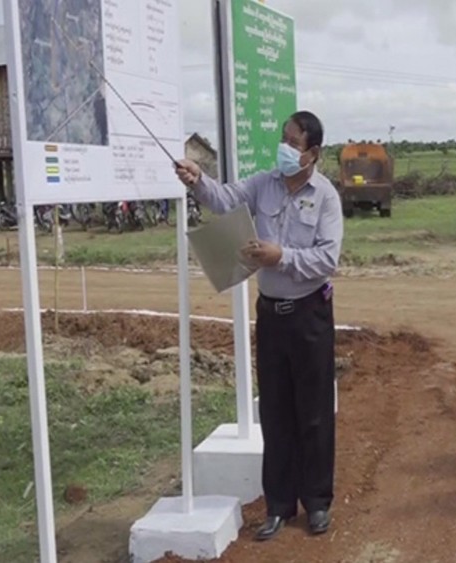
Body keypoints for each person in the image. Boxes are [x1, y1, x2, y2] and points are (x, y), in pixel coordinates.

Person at [174, 111, 343, 541]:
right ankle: (279, 506)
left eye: (293, 142)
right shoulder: (263, 184)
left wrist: (280, 257)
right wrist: (197, 179)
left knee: (314, 414)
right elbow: (223, 199)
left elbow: (327, 258)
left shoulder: (326, 197)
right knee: (275, 412)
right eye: (283, 138)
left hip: (310, 315)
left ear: (312, 152)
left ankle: (317, 502)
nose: (284, 148)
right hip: (270, 316)